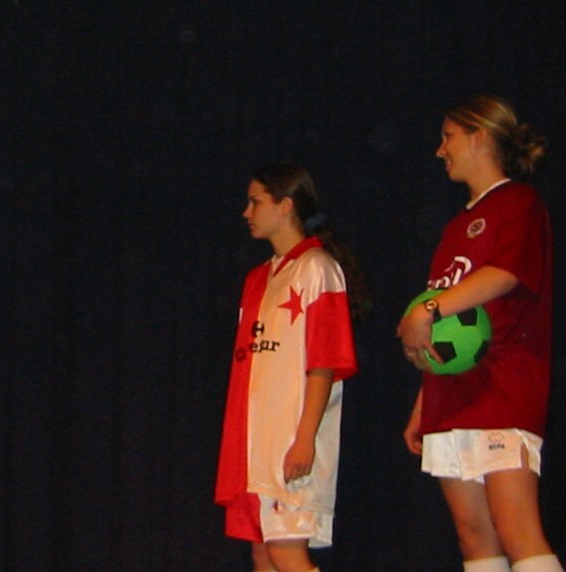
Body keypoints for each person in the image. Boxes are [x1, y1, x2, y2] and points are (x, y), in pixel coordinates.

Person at [397, 95, 562, 572]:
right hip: (453, 397)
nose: (439, 150)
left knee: (516, 530)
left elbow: (505, 275)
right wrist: (425, 400)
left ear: (479, 137)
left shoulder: (518, 203)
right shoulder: (455, 228)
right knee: (474, 540)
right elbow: (450, 328)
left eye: (447, 137)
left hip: (503, 386)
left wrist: (427, 308)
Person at [216, 163, 367, 572]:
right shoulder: (258, 279)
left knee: (286, 551)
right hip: (256, 446)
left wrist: (304, 438)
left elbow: (325, 363)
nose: (246, 212)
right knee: (264, 554)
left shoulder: (316, 268)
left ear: (285, 206)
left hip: (291, 442)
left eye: (255, 202)